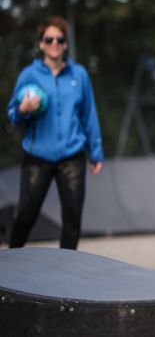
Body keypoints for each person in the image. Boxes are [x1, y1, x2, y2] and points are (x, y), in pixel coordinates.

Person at [6, 16, 105, 250]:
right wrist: (23, 110)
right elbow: (12, 114)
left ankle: (65, 277)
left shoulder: (78, 75)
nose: (54, 43)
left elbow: (89, 114)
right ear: (41, 43)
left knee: (72, 220)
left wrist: (96, 152)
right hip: (37, 156)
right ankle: (8, 270)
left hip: (71, 156)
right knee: (26, 215)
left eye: (59, 39)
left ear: (65, 44)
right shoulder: (29, 75)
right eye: (49, 39)